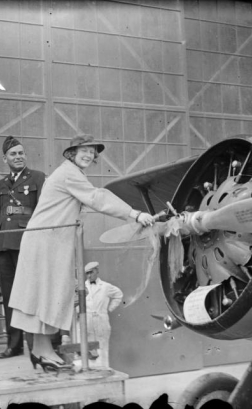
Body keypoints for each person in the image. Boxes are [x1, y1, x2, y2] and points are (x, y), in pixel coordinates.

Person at [9, 134, 154, 372]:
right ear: (71, 153)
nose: (88, 155)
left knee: (45, 296)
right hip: (45, 241)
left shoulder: (72, 174)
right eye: (83, 150)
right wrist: (134, 214)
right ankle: (42, 351)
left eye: (92, 152)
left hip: (48, 240)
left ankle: (41, 351)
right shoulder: (69, 174)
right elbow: (98, 198)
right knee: (44, 296)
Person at [0, 136, 45, 359]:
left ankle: (36, 343)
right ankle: (14, 344)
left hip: (27, 243)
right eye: (13, 154)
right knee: (9, 295)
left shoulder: (38, 177)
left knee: (32, 294)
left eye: (21, 153)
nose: (18, 157)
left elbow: (42, 211)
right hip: (4, 244)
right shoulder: (1, 184)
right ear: (5, 158)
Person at [83, 261, 123, 368]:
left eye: (91, 272)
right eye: (87, 273)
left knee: (103, 346)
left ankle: (104, 370)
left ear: (97, 271)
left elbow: (118, 294)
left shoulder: (105, 286)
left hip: (101, 319)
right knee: (89, 347)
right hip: (88, 320)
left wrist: (109, 308)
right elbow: (77, 300)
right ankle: (92, 371)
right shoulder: (83, 287)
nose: (89, 275)